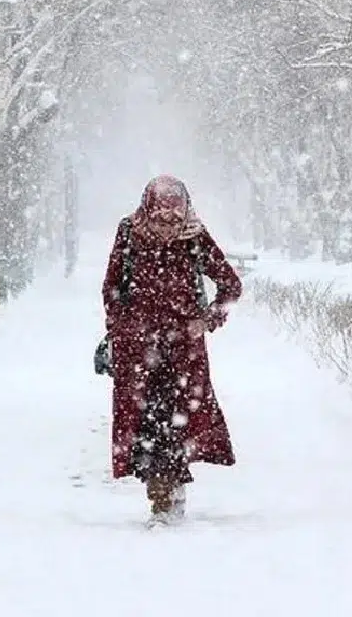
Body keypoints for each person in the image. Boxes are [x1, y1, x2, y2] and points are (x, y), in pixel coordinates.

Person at [101, 175, 243, 524]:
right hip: (138, 351)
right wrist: (121, 326)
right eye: (160, 217)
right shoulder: (129, 233)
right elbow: (111, 287)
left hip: (184, 353)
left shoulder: (194, 237)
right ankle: (161, 492)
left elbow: (230, 286)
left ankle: (169, 495)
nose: (167, 226)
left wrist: (208, 320)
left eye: (174, 218)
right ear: (147, 209)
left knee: (177, 422)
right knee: (145, 424)